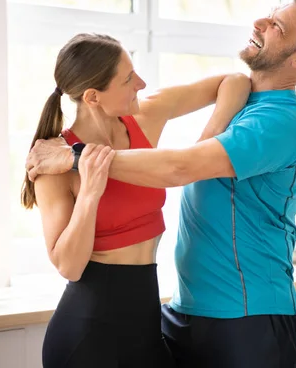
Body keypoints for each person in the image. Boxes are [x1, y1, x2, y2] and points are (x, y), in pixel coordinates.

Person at [26, 0, 296, 368]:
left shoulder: (279, 121)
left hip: (246, 315)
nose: (259, 23)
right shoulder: (246, 104)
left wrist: (78, 159)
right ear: (92, 96)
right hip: (180, 313)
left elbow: (181, 167)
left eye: (277, 26)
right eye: (128, 79)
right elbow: (230, 90)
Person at [20, 33, 251, 368]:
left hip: (144, 323)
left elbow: (236, 82)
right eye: (128, 79)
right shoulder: (54, 162)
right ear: (93, 96)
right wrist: (89, 194)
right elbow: (68, 265)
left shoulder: (145, 118)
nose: (140, 84)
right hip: (87, 333)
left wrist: (204, 145)